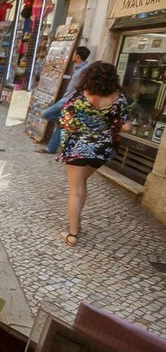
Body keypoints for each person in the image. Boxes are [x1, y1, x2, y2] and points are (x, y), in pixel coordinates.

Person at [57, 62, 131, 246]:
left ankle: (72, 234)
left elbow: (65, 121)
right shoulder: (119, 99)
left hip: (78, 147)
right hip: (103, 149)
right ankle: (77, 222)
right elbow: (126, 126)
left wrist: (84, 126)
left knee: (76, 190)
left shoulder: (79, 97)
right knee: (82, 184)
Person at [36, 46, 91, 154]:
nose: (72, 56)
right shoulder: (79, 68)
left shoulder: (86, 69)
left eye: (74, 53)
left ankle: (61, 123)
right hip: (67, 98)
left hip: (70, 100)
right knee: (61, 123)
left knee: (45, 113)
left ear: (77, 56)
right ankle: (51, 148)